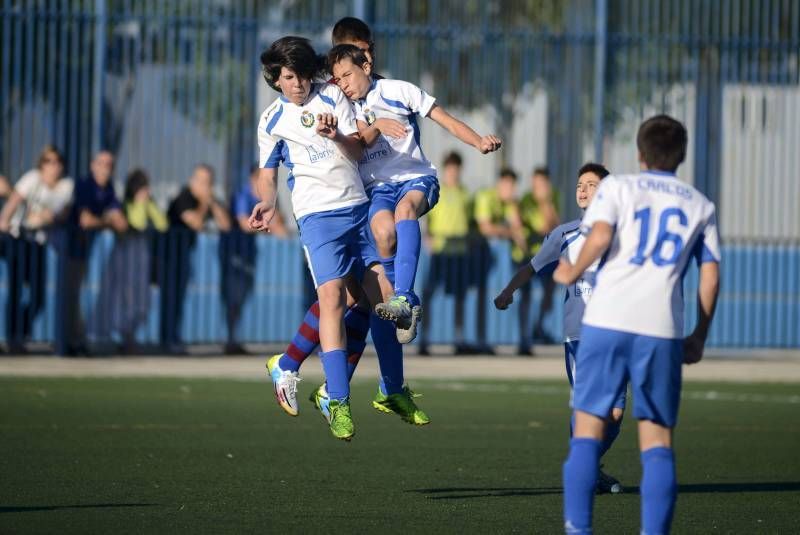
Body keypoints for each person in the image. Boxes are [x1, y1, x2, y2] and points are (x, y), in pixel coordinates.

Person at [554, 115, 721, 534]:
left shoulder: (619, 188)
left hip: (606, 322)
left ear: (640, 153)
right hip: (660, 330)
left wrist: (572, 271)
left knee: (587, 435)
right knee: (657, 444)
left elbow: (598, 237)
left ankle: (578, 530)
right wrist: (699, 335)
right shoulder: (699, 204)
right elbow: (710, 274)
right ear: (681, 155)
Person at [250, 36, 422, 440]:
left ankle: (389, 388)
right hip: (317, 218)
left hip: (358, 209)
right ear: (277, 79)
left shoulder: (332, 96)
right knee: (332, 298)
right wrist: (267, 204)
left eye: (304, 75)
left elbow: (357, 152)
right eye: (290, 77)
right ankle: (338, 400)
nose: (298, 84)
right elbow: (267, 173)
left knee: (381, 294)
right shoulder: (271, 120)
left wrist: (336, 137)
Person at [328, 43, 501, 344]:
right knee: (383, 232)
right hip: (379, 187)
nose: (343, 84)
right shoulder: (345, 106)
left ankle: (405, 298)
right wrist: (378, 125)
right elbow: (358, 143)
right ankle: (400, 305)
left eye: (347, 75)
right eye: (338, 79)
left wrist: (477, 141)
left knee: (404, 211)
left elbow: (444, 118)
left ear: (366, 66)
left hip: (416, 178)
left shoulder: (399, 90)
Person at [494, 163, 623, 493]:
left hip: (617, 334)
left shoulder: (622, 235)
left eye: (591, 184)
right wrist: (508, 291)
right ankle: (582, 472)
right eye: (580, 184)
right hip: (581, 336)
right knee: (587, 406)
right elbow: (532, 267)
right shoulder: (564, 234)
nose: (582, 189)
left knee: (616, 413)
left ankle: (589, 464)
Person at [0, 146, 74, 352]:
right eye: (48, 161)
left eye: (57, 161)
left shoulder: (65, 186)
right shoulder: (32, 178)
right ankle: (13, 339)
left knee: (38, 296)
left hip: (37, 243)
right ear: (41, 164)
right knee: (15, 290)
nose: (53, 166)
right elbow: (14, 200)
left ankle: (19, 333)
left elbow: (54, 214)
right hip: (16, 238)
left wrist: (41, 217)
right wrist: (4, 221)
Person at [62, 150, 128, 356]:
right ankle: (72, 342)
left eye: (109, 165)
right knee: (69, 295)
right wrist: (107, 222)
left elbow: (121, 224)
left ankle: (76, 341)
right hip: (66, 247)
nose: (105, 169)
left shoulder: (108, 189)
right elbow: (85, 221)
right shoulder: (84, 186)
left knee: (73, 295)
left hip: (84, 250)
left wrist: (106, 221)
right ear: (92, 165)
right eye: (101, 164)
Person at [94, 168, 167, 352]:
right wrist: (141, 204)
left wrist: (148, 204)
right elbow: (138, 223)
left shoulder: (149, 203)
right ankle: (125, 338)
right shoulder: (124, 204)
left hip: (141, 257)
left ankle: (131, 335)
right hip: (126, 256)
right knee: (124, 298)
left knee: (142, 300)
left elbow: (162, 224)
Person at [161, 164, 231, 351]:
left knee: (179, 298)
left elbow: (225, 225)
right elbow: (196, 223)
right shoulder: (184, 198)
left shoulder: (207, 200)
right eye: (200, 181)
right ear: (192, 181)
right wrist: (204, 204)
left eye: (207, 182)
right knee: (170, 298)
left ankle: (173, 337)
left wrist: (211, 203)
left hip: (183, 257)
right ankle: (166, 340)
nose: (204, 186)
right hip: (168, 256)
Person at [220, 165, 287, 355]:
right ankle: (230, 339)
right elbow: (243, 224)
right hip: (234, 255)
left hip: (248, 254)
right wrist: (268, 226)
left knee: (242, 296)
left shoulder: (266, 199)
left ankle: (233, 339)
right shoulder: (242, 195)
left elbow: (280, 223)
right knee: (233, 296)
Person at [418, 151, 473, 355]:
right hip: (440, 253)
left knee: (459, 298)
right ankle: (424, 339)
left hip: (459, 253)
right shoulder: (436, 191)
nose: (453, 172)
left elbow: (470, 221)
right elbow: (426, 218)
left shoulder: (465, 193)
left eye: (456, 169)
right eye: (450, 168)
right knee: (429, 295)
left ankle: (459, 339)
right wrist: (428, 239)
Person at [474, 168, 527, 352]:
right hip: (470, 252)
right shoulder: (485, 196)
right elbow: (485, 228)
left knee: (483, 295)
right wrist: (512, 233)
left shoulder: (508, 203)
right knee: (471, 296)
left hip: (486, 256)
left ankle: (482, 340)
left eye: (513, 186)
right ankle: (473, 340)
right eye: (508, 185)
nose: (511, 190)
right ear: (500, 184)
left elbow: (517, 228)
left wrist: (513, 207)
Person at [519, 166, 561, 348]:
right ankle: (524, 338)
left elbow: (554, 226)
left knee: (550, 290)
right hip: (527, 255)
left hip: (547, 255)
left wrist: (546, 203)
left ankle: (539, 326)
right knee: (525, 295)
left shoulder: (553, 198)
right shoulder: (525, 200)